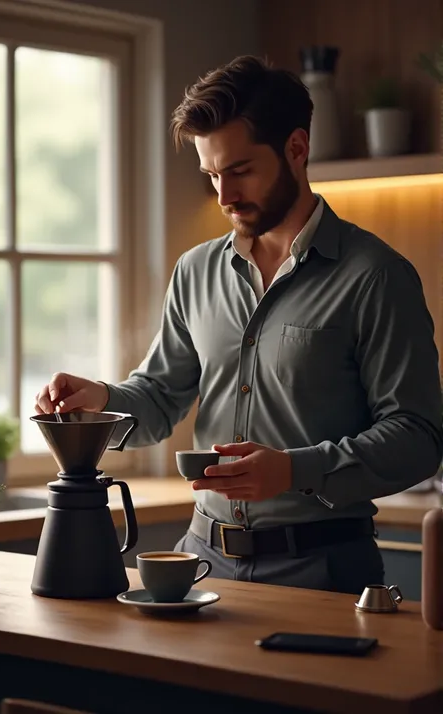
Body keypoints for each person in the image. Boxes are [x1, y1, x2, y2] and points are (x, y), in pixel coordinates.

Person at [35, 55, 443, 595]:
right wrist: (101, 400)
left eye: (240, 171)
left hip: (323, 571)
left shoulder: (376, 277)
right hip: (199, 564)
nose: (224, 196)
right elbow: (159, 398)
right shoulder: (195, 270)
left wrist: (295, 470)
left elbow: (418, 439)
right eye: (211, 175)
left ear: (297, 149)